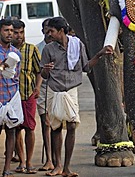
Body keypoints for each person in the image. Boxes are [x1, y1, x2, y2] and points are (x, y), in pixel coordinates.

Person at [40, 17, 113, 177]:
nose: (49, 34)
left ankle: (66, 168)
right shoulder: (48, 49)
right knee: (55, 127)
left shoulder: (77, 45)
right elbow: (44, 75)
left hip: (71, 90)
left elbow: (86, 67)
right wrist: (46, 69)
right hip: (55, 90)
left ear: (61, 31)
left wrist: (100, 54)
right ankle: (57, 165)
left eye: (51, 31)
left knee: (72, 126)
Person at [12, 20, 42, 174]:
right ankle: (21, 161)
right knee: (15, 129)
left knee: (30, 128)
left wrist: (37, 88)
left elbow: (39, 71)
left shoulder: (32, 49)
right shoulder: (6, 51)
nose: (19, 36)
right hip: (11, 96)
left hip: (28, 94)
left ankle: (29, 162)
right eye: (15, 33)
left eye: (21, 32)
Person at [0, 19, 23, 177]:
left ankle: (7, 168)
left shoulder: (16, 52)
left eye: (11, 31)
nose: (10, 34)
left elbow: (17, 76)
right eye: (6, 30)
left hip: (11, 94)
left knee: (11, 132)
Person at [36, 19, 54, 172]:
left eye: (51, 30)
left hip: (58, 89)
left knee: (57, 125)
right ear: (42, 31)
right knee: (46, 123)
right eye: (46, 30)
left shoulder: (60, 48)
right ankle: (49, 159)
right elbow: (38, 73)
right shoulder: (38, 49)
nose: (49, 33)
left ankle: (56, 159)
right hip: (42, 90)